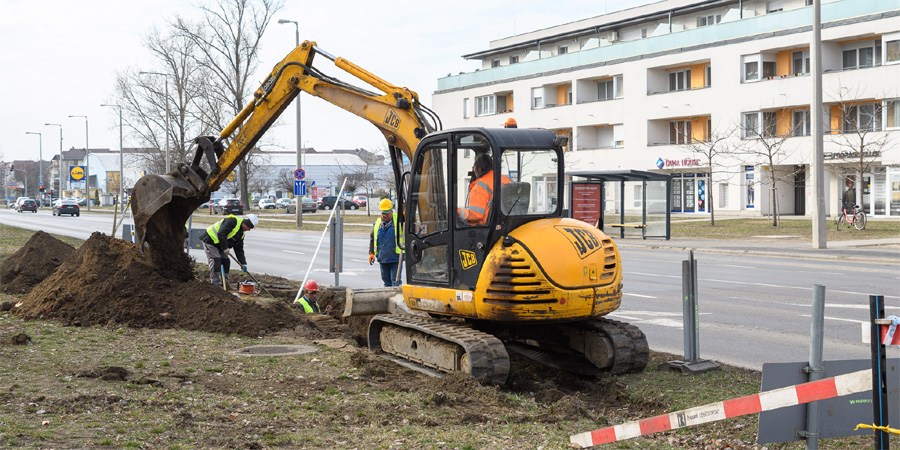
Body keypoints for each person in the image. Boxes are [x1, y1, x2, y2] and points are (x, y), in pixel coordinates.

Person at [200, 213, 258, 290]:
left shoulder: (241, 234)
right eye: (249, 227)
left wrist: (243, 263)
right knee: (216, 260)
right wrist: (225, 248)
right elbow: (221, 233)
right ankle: (215, 284)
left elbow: (239, 250)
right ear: (245, 223)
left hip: (220, 244)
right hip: (210, 240)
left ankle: (225, 284)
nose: (249, 229)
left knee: (226, 261)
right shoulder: (232, 221)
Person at [459, 153, 512, 226]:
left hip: (487, 229)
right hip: (507, 223)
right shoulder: (507, 179)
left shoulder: (480, 186)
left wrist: (458, 212)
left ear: (479, 169)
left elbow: (475, 215)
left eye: (474, 168)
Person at [369, 199, 403, 287]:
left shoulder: (399, 220)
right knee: (386, 283)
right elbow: (373, 238)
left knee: (395, 282)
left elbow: (407, 225)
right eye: (383, 213)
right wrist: (371, 253)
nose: (385, 215)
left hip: (395, 258)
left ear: (391, 211)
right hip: (382, 258)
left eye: (387, 213)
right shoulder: (377, 223)